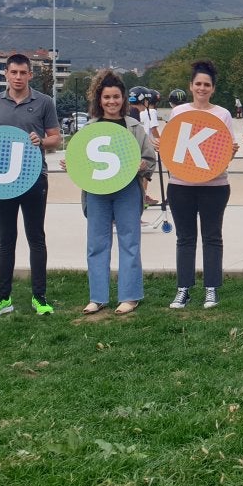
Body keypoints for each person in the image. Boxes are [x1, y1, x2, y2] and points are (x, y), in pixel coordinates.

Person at [0, 53, 61, 317]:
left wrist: (41, 141)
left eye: (23, 73)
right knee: (6, 240)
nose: (18, 77)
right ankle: (2, 298)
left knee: (36, 238)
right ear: (6, 74)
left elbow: (56, 138)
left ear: (30, 74)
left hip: (34, 177)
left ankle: (39, 297)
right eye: (14, 73)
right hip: (1, 181)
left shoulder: (44, 102)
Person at [71, 70, 156, 315]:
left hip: (127, 190)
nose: (112, 102)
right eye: (107, 97)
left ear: (123, 98)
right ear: (100, 99)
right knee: (97, 243)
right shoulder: (89, 128)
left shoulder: (135, 127)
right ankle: (97, 297)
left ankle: (130, 296)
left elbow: (150, 159)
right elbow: (82, 161)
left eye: (116, 97)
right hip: (97, 191)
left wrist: (143, 166)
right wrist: (73, 164)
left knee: (130, 241)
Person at [167, 60, 239, 310]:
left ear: (213, 88)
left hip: (215, 186)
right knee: (184, 238)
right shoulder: (179, 113)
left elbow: (223, 154)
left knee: (212, 237)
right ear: (190, 86)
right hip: (180, 185)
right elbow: (173, 148)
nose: (202, 88)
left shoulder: (223, 114)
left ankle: (211, 289)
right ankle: (183, 289)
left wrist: (231, 152)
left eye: (206, 84)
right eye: (198, 83)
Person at [132, 87, 163, 207]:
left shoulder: (139, 113)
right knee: (146, 173)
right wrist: (161, 141)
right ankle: (143, 196)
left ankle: (141, 196)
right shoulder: (151, 112)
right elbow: (153, 128)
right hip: (147, 145)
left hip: (140, 142)